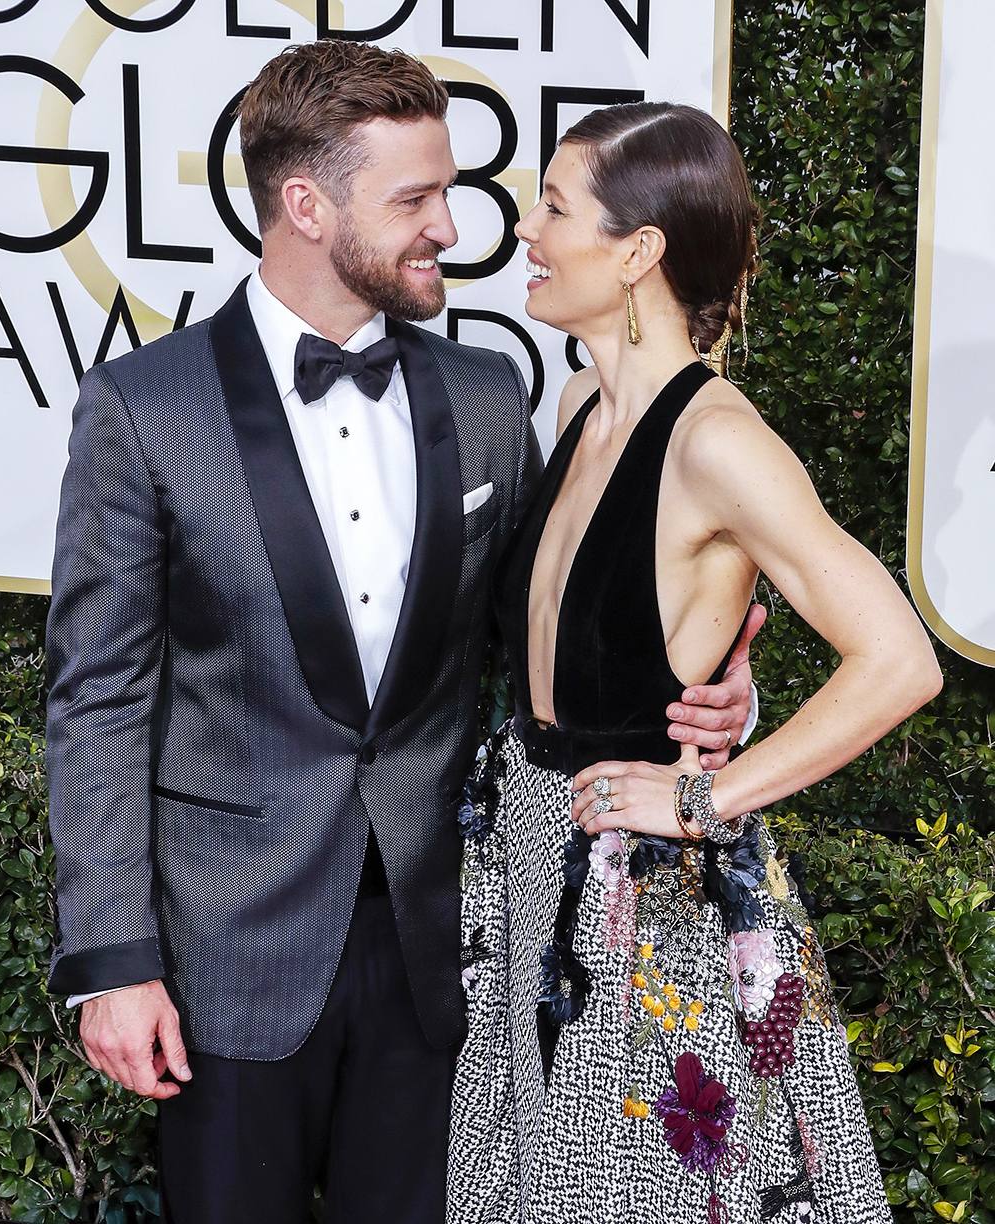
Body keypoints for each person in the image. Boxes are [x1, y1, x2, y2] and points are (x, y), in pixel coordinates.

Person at [43, 44, 754, 1224]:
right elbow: (98, 699)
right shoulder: (144, 407)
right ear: (306, 206)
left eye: (452, 190)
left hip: (447, 951)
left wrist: (705, 689)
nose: (453, 225)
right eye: (415, 199)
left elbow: (551, 632)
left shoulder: (484, 398)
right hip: (227, 956)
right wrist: (113, 961)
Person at [448, 101, 943, 1224]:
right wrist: (730, 683)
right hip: (532, 865)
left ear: (637, 253)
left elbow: (899, 660)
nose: (524, 230)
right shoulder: (580, 401)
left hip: (641, 906)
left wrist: (709, 792)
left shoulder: (718, 442)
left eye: (554, 207)